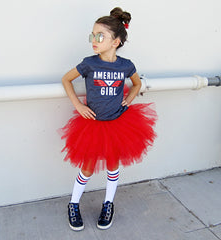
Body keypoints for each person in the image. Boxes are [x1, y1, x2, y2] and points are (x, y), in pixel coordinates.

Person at [58, 7, 157, 231]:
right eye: (92, 35)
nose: (94, 40)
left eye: (100, 36)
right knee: (88, 167)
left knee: (113, 164)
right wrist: (78, 105)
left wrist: (129, 97)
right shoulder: (89, 63)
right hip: (92, 125)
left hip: (118, 124)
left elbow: (137, 83)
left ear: (116, 41)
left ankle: (108, 204)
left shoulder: (125, 65)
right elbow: (66, 79)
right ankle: (73, 204)